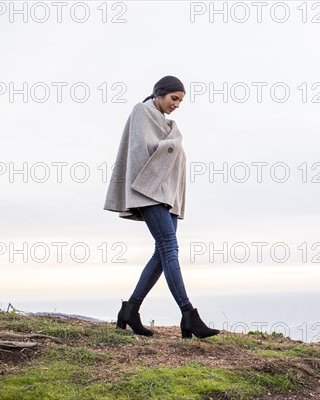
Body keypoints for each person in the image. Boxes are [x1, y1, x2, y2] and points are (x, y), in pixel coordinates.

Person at [103, 75, 219, 339]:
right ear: (160, 93)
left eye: (180, 101)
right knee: (169, 246)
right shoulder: (141, 112)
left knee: (161, 252)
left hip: (166, 194)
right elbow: (140, 151)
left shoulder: (168, 124)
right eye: (173, 98)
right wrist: (171, 147)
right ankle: (189, 315)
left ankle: (130, 310)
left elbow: (168, 152)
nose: (176, 104)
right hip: (147, 190)